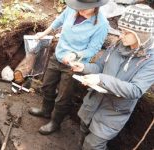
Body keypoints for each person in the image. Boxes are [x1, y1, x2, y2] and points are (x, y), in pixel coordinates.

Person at [70, 4, 154, 149]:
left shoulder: (149, 60)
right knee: (82, 135)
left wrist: (101, 79)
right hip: (92, 103)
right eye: (121, 30)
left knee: (92, 145)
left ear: (141, 34)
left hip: (112, 114)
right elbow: (99, 67)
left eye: (126, 32)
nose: (121, 35)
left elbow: (135, 90)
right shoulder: (117, 45)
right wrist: (84, 68)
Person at [28, 0, 109, 135]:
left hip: (74, 65)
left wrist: (75, 54)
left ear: (95, 6)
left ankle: (55, 122)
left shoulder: (102, 25)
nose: (79, 10)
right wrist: (43, 33)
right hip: (58, 56)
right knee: (47, 86)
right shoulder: (73, 8)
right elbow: (58, 21)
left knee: (63, 97)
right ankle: (46, 111)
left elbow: (93, 49)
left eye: (84, 8)